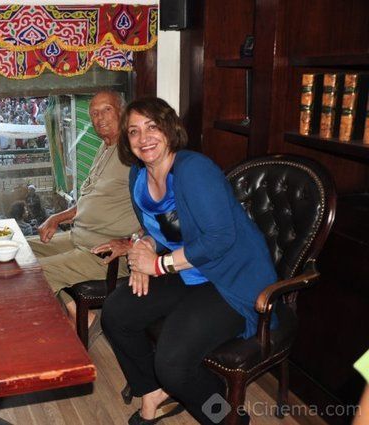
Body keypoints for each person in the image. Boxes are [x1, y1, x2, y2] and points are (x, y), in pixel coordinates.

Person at [100, 97, 277, 425]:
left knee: (172, 363)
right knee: (116, 312)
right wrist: (143, 248)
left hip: (231, 279)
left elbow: (220, 238)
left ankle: (226, 418)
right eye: (134, 131)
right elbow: (163, 229)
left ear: (169, 129)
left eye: (152, 127)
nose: (143, 138)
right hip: (190, 270)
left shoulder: (194, 170)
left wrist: (157, 266)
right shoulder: (138, 175)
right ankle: (153, 390)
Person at [27, 91, 140, 332]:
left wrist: (133, 243)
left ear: (123, 111)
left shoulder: (135, 152)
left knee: (33, 274)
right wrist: (56, 217)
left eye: (107, 110)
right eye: (94, 113)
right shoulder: (105, 146)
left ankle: (57, 334)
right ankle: (79, 313)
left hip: (105, 253)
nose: (100, 118)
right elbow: (91, 199)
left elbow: (157, 208)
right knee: (20, 250)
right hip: (78, 237)